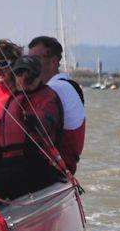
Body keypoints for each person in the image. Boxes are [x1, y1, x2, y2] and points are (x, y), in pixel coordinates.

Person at [0, 56, 65, 200]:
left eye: (28, 73)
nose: (23, 77)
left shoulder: (47, 98)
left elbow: (47, 120)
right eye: (19, 73)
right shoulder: (12, 101)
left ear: (38, 76)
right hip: (10, 166)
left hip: (36, 167)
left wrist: (35, 122)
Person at [27, 36, 86, 174]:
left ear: (53, 61)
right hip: (63, 165)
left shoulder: (55, 89)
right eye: (28, 60)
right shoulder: (68, 85)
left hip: (55, 167)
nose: (30, 65)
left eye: (36, 60)